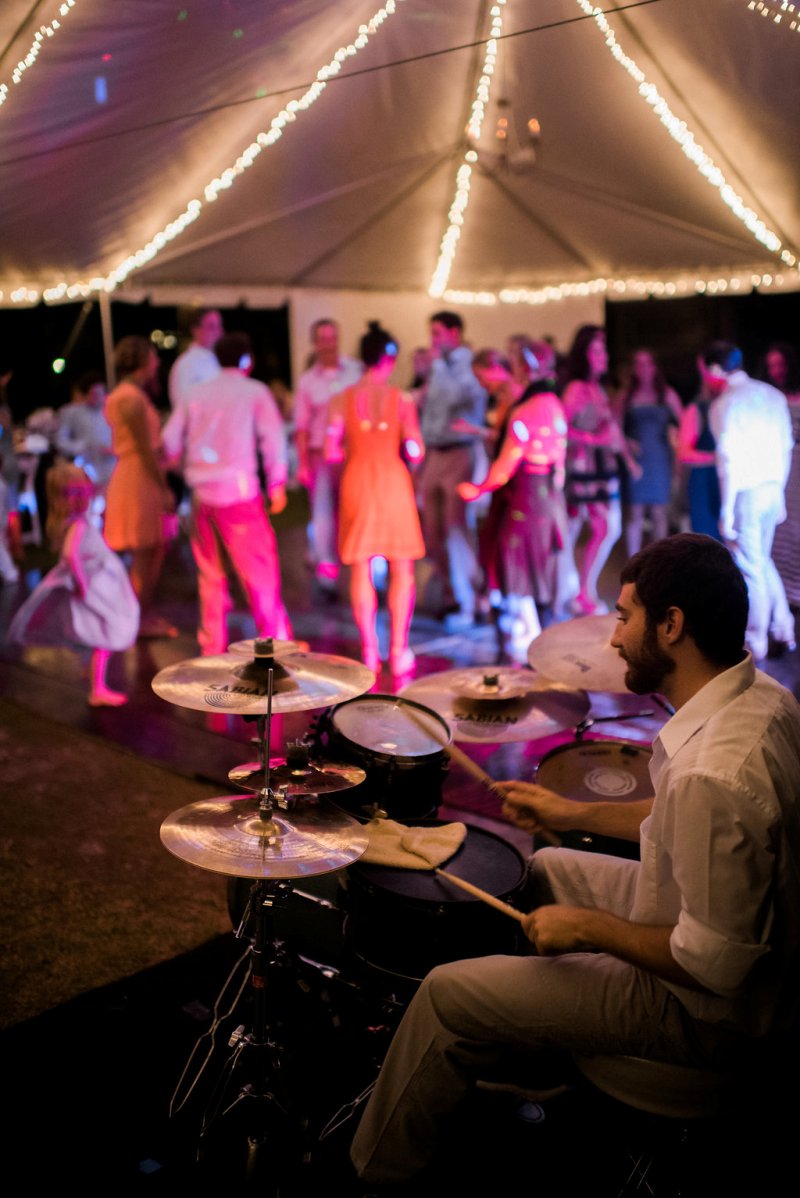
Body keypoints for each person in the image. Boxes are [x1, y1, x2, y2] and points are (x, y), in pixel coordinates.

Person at [350, 532, 800, 1189]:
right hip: (736, 946)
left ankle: (372, 1171)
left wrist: (589, 932)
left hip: (710, 1015)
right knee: (549, 868)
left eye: (624, 617)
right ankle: (537, 1038)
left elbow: (715, 965)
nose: (614, 639)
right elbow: (684, 832)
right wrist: (573, 815)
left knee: (446, 994)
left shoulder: (714, 774)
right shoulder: (763, 700)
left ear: (671, 626)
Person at [161, 331, 295, 656]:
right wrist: (277, 484)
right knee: (259, 574)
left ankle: (212, 647)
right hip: (239, 495)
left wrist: (184, 467)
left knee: (211, 576)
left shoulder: (196, 393)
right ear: (247, 360)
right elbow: (273, 440)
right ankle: (275, 643)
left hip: (201, 497)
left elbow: (169, 440)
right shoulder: (254, 392)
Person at [324, 321, 425, 676]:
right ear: (388, 358)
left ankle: (369, 650)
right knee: (402, 567)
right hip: (392, 480)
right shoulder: (402, 399)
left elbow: (330, 449)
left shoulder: (341, 399)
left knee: (361, 565)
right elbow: (415, 448)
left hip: (358, 479)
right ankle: (398, 650)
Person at [458, 346, 571, 659]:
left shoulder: (525, 411)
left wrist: (477, 489)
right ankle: (538, 633)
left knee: (516, 559)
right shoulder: (554, 404)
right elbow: (559, 461)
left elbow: (506, 464)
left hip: (525, 493)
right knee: (541, 559)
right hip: (547, 495)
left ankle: (524, 637)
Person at [8, 463, 139, 705]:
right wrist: (83, 583)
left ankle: (92, 674)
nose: (82, 498)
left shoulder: (78, 520)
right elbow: (71, 555)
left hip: (100, 585)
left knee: (98, 632)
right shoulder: (78, 525)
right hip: (94, 588)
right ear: (60, 498)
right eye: (72, 493)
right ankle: (97, 689)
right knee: (104, 635)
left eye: (83, 491)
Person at [703, 340, 795, 660]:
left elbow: (728, 460)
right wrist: (780, 491)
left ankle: (756, 641)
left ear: (715, 369)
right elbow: (786, 447)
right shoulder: (772, 394)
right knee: (761, 559)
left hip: (746, 493)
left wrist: (726, 511)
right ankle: (782, 627)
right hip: (771, 487)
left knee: (750, 566)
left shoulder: (724, 405)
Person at [561, 324, 640, 615]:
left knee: (605, 527)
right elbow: (562, 429)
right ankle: (579, 590)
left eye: (603, 349)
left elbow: (609, 430)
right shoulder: (577, 389)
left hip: (601, 466)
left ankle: (581, 588)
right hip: (585, 466)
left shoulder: (597, 388)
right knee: (597, 527)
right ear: (584, 354)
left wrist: (626, 451)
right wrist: (595, 440)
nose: (602, 355)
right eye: (596, 350)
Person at [415, 311, 488, 624]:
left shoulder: (468, 365)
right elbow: (430, 409)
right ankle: (449, 594)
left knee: (456, 529)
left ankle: (471, 600)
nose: (433, 340)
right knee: (432, 532)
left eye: (438, 334)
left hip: (460, 451)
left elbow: (469, 399)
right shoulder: (437, 366)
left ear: (454, 333)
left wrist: (440, 374)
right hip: (435, 451)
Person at [104, 335, 177, 639]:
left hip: (135, 473)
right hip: (138, 477)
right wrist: (163, 488)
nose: (157, 362)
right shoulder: (129, 398)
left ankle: (138, 616)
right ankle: (135, 620)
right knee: (146, 552)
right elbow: (143, 448)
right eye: (152, 356)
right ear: (141, 361)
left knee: (151, 551)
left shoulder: (128, 394)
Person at [294, 318, 362, 596]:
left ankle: (363, 564)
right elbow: (301, 426)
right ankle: (326, 570)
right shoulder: (308, 381)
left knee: (356, 508)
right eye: (323, 339)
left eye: (332, 337)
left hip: (353, 452)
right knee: (322, 513)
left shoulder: (355, 371)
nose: (328, 344)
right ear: (315, 343)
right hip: (321, 453)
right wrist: (302, 463)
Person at [615, 348, 683, 556]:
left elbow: (685, 425)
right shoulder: (626, 396)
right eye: (638, 364)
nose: (643, 369)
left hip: (660, 459)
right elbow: (613, 429)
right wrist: (626, 446)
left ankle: (658, 561)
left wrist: (677, 446)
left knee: (658, 514)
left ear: (654, 367)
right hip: (636, 460)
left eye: (647, 363)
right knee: (634, 514)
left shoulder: (667, 394)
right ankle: (633, 564)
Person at [761, 342, 800, 611]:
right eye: (772, 365)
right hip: (779, 466)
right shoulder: (768, 397)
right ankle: (786, 596)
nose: (777, 370)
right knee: (782, 529)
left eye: (781, 364)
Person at [54, 371, 115, 520]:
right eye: (94, 394)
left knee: (112, 507)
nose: (98, 398)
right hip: (87, 469)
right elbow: (60, 441)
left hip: (111, 467)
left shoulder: (111, 410)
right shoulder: (73, 413)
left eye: (101, 393)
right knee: (90, 511)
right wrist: (84, 447)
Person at [676, 368, 722, 540]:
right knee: (706, 536)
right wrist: (716, 458)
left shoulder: (733, 407)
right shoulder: (697, 410)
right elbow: (684, 453)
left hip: (725, 482)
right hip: (704, 481)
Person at [167, 307, 223, 409]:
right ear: (195, 330)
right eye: (211, 327)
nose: (218, 332)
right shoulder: (186, 364)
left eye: (219, 327)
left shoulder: (216, 361)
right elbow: (182, 406)